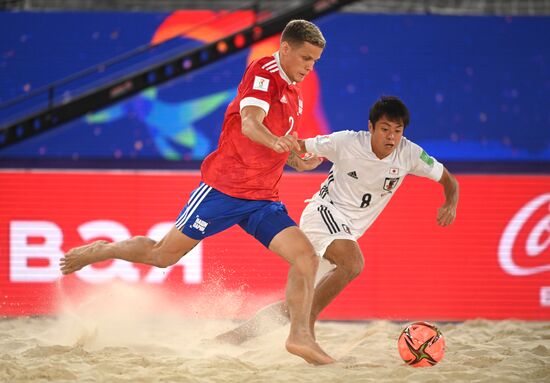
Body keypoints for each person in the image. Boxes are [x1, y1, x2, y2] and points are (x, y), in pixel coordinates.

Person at [59, 19, 334, 365]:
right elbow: (250, 124)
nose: (310, 67)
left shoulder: (294, 95)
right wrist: (277, 141)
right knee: (162, 256)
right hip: (224, 190)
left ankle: (300, 336)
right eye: (306, 58)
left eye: (315, 62)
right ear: (285, 49)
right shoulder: (263, 72)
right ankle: (102, 249)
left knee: (306, 258)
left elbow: (279, 146)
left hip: (263, 198)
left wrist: (297, 159)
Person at [215, 95, 459, 344]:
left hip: (346, 231)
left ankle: (232, 338)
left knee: (292, 306)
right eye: (385, 129)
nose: (392, 137)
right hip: (324, 214)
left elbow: (449, 180)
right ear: (371, 127)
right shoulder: (346, 141)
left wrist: (450, 202)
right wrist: (294, 159)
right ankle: (307, 328)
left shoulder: (409, 153)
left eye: (398, 131)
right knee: (353, 264)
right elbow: (297, 146)